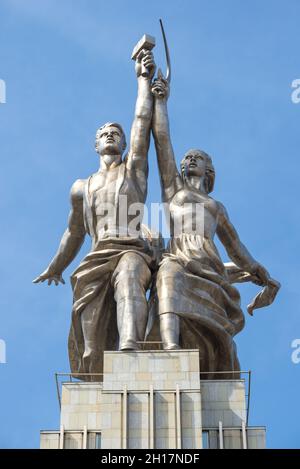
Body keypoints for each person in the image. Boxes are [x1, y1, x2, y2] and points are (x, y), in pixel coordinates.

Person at [34, 50, 157, 378]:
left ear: (123, 144)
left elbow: (142, 122)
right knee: (91, 349)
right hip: (94, 260)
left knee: (131, 276)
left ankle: (132, 347)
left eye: (117, 133)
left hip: (130, 250)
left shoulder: (135, 171)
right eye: (104, 133)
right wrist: (55, 266)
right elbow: (74, 232)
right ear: (95, 144)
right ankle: (97, 381)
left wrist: (143, 80)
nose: (111, 135)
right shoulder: (81, 187)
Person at [150, 74, 279, 378]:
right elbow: (163, 141)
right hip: (178, 256)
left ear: (209, 169)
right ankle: (169, 349)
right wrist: (161, 102)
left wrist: (260, 271)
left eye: (198, 157)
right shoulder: (174, 190)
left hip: (208, 264)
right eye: (187, 157)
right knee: (167, 279)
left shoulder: (216, 207)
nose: (190, 158)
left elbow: (236, 248)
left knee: (216, 325)